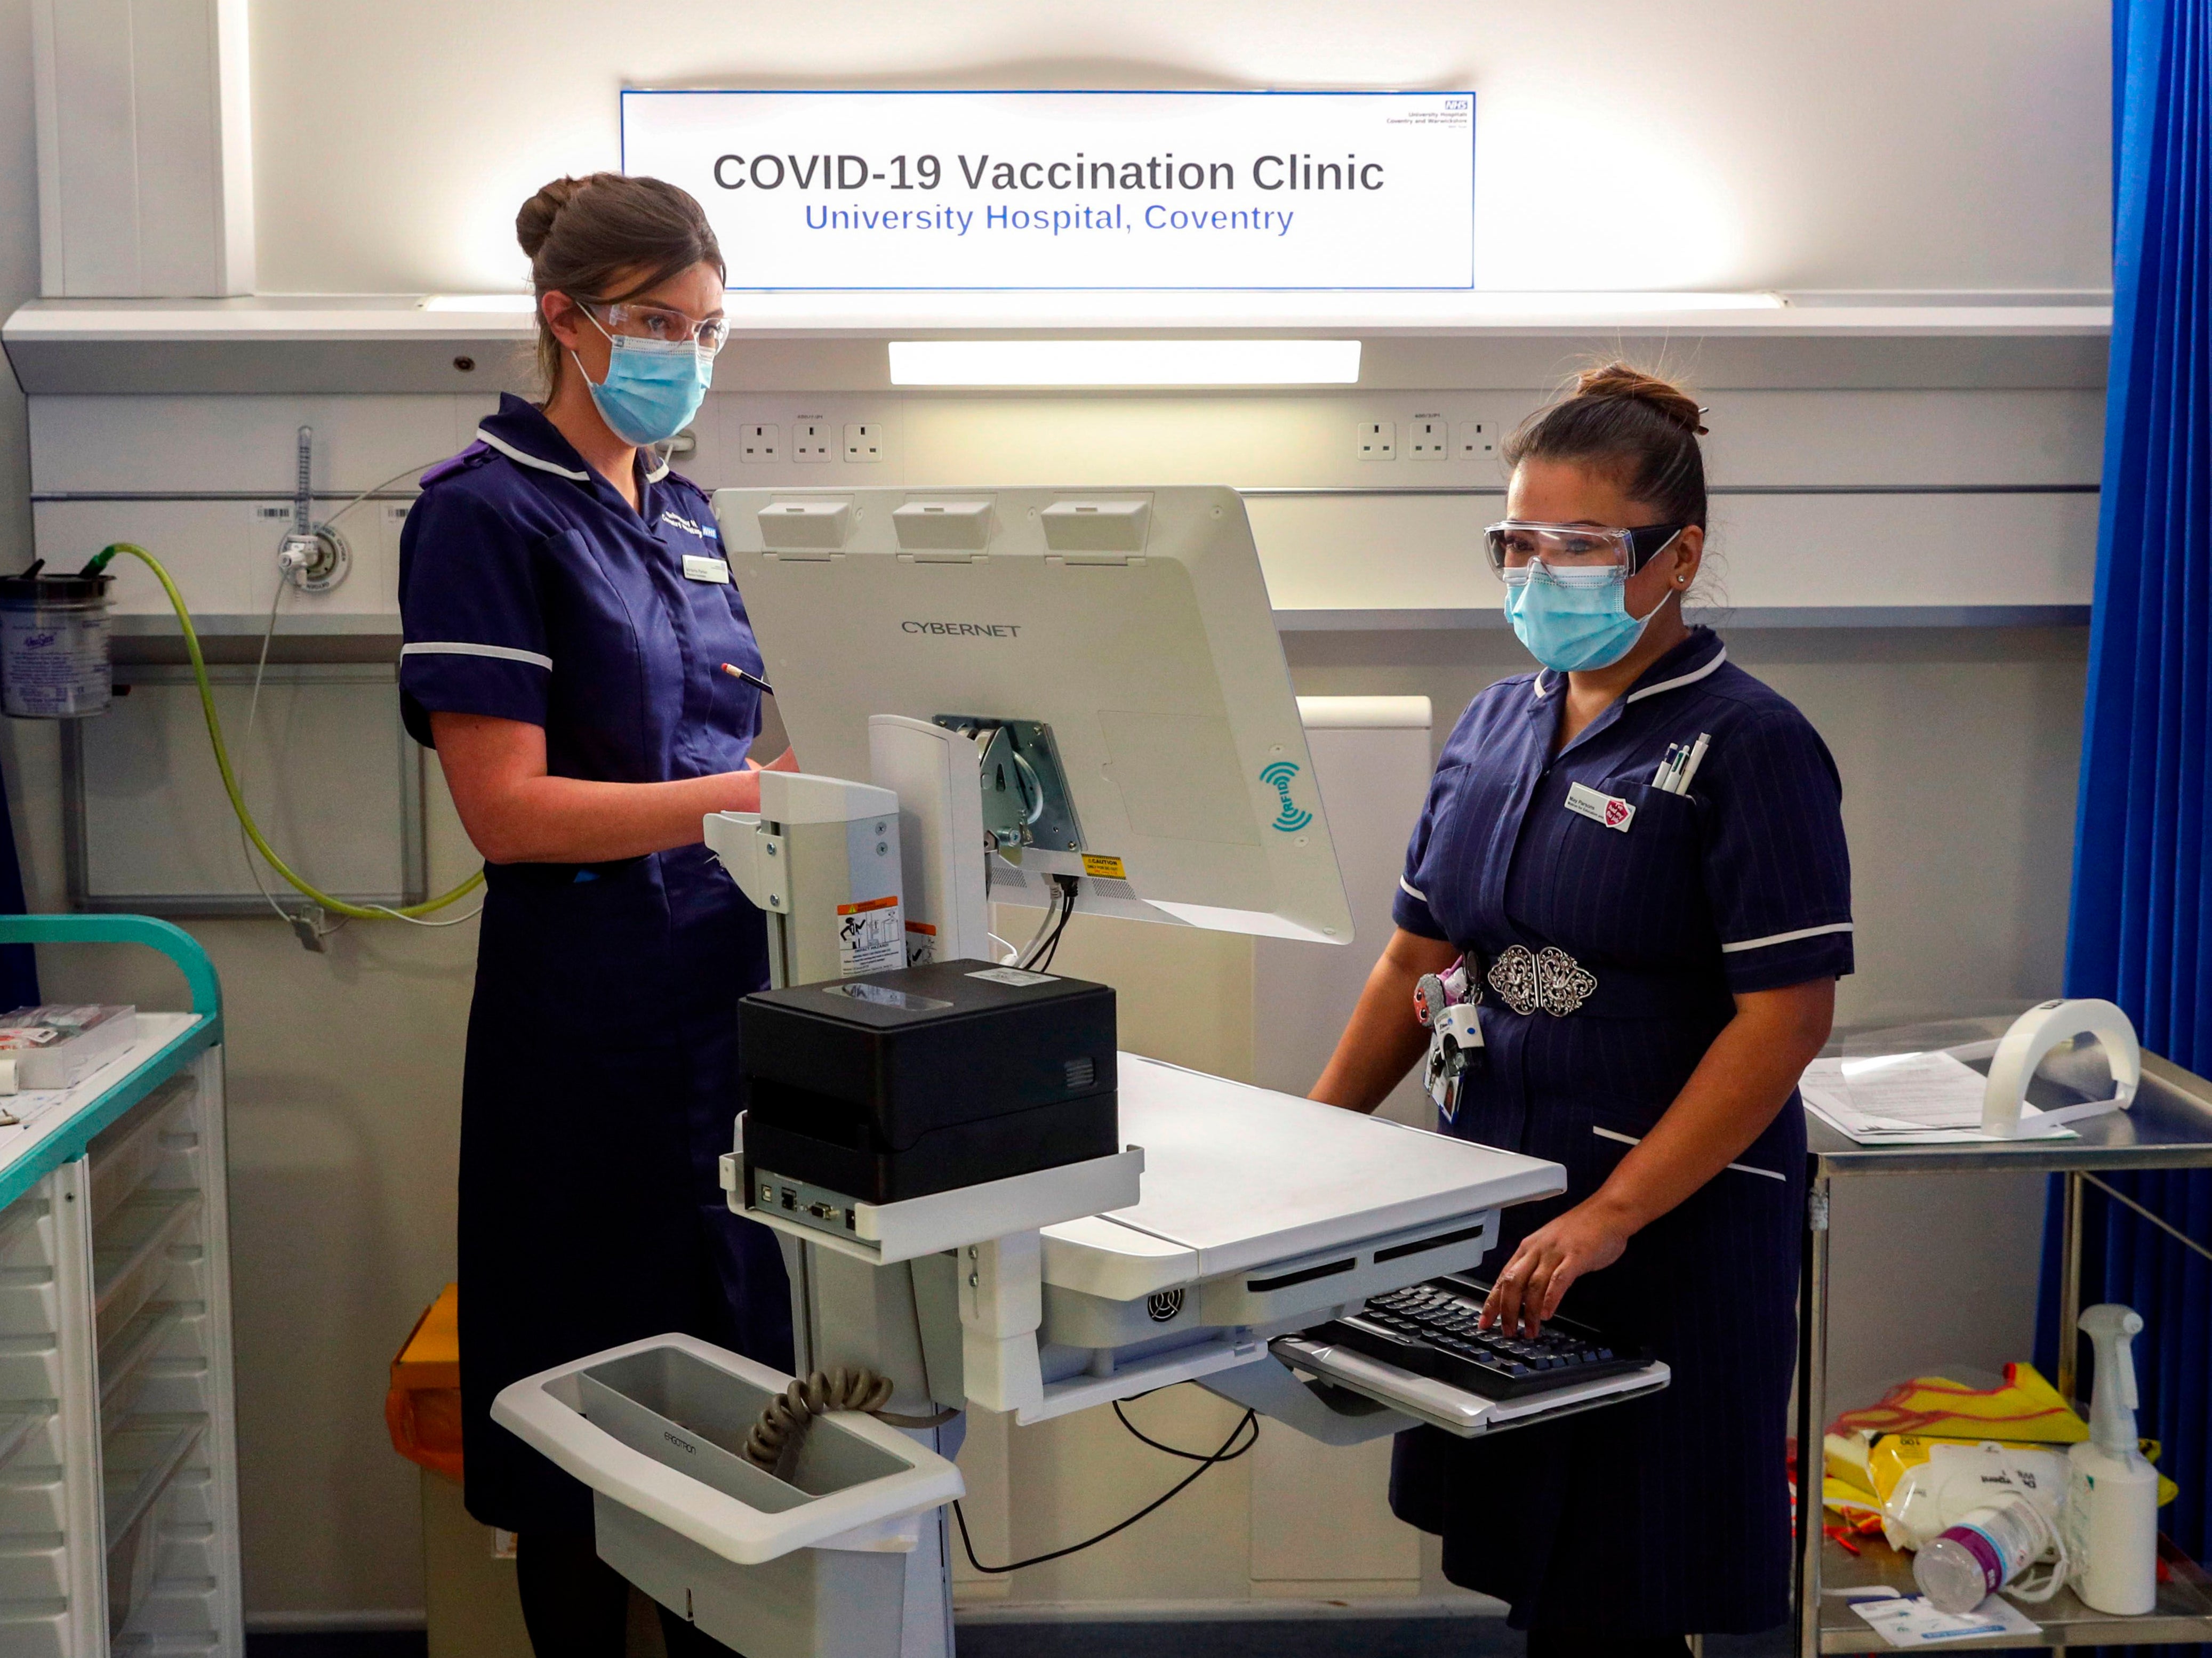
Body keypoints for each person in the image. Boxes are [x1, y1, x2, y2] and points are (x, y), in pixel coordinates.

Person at [1309, 365, 1852, 1655]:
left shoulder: (1749, 742)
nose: (1539, 572)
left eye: (1581, 545)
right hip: (1504, 1199)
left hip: (1665, 1229)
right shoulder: (1497, 723)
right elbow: (1412, 965)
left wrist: (1613, 1213)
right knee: (1535, 1555)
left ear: (1676, 557)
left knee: (1629, 1572)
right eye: (1518, 541)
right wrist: (1308, 1150)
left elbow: (1784, 1018)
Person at [397, 172, 793, 1658]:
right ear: (565, 319)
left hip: (728, 1016)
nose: (685, 353)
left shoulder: (685, 513)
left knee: (736, 1398)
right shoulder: (482, 515)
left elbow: (737, 748)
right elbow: (509, 808)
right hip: (584, 1031)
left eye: (707, 326)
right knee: (582, 1417)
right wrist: (751, 801)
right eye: (655, 322)